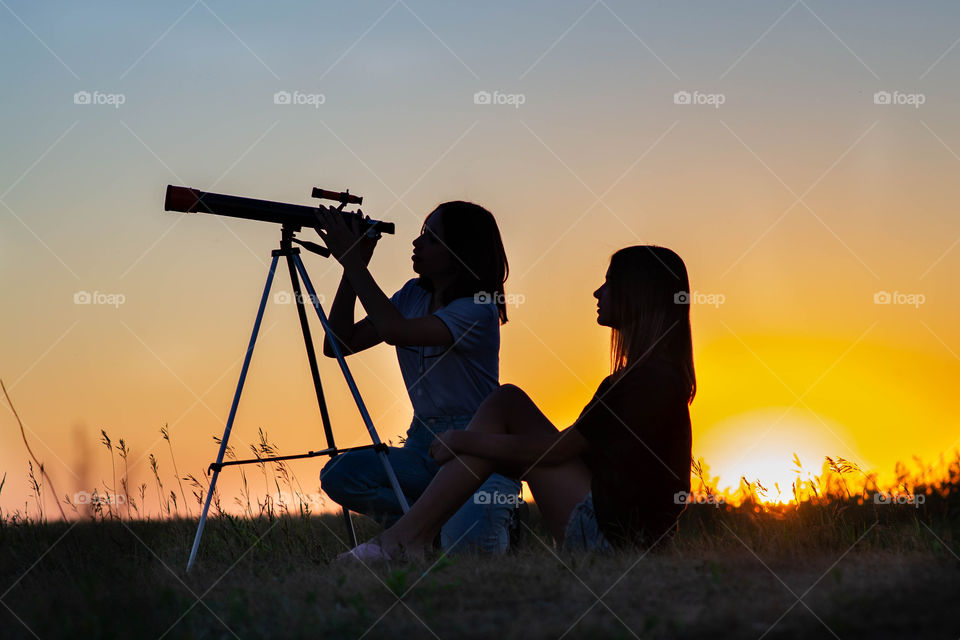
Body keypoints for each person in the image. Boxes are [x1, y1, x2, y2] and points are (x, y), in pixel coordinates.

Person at [338, 245, 695, 560]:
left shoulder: (648, 379)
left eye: (610, 282)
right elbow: (580, 455)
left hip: (610, 540)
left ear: (638, 293)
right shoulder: (651, 375)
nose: (598, 291)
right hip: (616, 532)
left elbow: (558, 451)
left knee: (504, 407)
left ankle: (406, 539)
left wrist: (466, 440)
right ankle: (411, 537)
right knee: (506, 402)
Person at [313, 201, 522, 554]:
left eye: (433, 239)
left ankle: (490, 517)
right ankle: (421, 529)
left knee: (469, 553)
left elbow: (397, 331)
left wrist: (350, 258)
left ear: (461, 252)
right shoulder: (413, 294)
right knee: (340, 474)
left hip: (477, 447)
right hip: (423, 443)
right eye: (423, 234)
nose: (417, 243)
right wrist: (354, 269)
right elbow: (339, 344)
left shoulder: (478, 308)